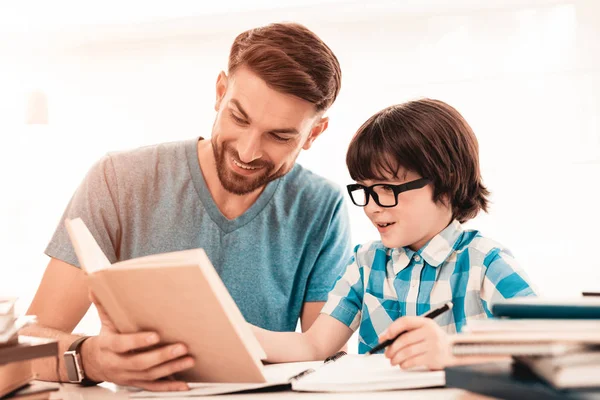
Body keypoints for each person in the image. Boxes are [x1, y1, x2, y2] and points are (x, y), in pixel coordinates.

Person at [23, 22, 351, 391]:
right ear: (220, 91)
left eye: (279, 136)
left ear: (315, 133)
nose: (247, 151)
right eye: (239, 118)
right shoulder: (118, 179)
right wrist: (93, 358)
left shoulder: (322, 206)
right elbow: (24, 348)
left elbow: (325, 357)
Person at [252, 98, 536, 370]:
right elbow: (313, 346)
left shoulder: (485, 263)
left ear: (446, 184)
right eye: (365, 190)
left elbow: (548, 346)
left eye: (388, 189)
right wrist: (233, 331)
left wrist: (453, 352)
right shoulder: (366, 263)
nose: (372, 207)